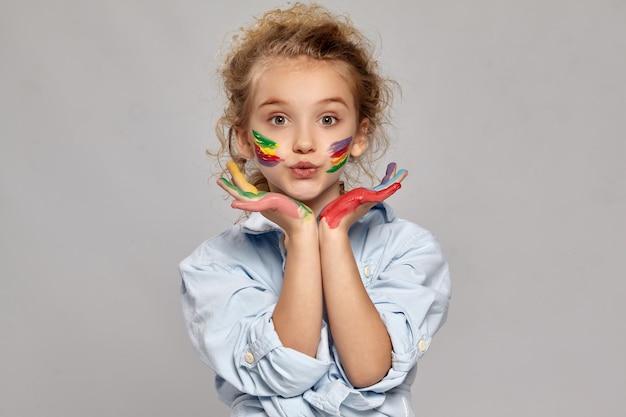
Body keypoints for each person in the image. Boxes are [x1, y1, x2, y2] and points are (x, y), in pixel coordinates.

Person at [179, 3, 451, 416]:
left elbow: (368, 370)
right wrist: (303, 236)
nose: (304, 142)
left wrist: (333, 231)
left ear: (359, 135)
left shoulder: (408, 249)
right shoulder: (215, 267)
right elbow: (284, 373)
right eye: (278, 119)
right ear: (245, 140)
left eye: (327, 119)